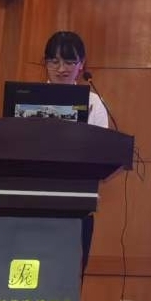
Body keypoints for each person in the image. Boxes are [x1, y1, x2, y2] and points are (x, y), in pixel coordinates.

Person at [41, 30, 109, 277]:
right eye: (54, 61)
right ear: (45, 63)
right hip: (32, 203)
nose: (61, 69)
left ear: (82, 65)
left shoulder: (93, 103)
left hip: (76, 205)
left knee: (66, 282)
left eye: (70, 62)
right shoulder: (27, 96)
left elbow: (102, 152)